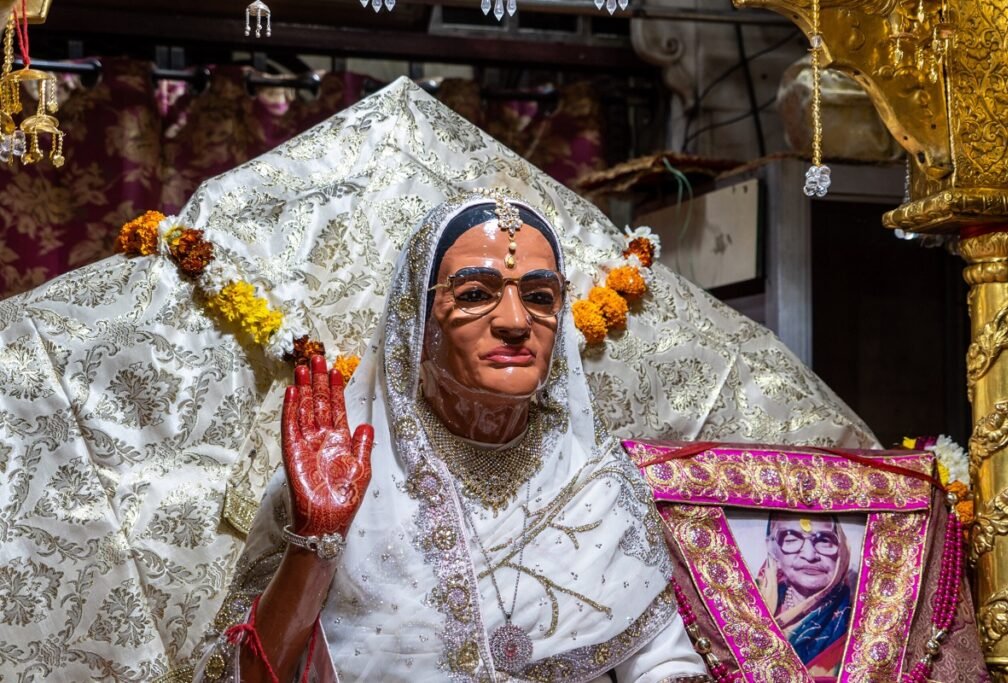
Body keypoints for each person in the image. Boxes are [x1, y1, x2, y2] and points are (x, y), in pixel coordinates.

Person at [195, 190, 708, 682]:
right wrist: (316, 543)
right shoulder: (344, 476)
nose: (514, 321)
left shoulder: (599, 483)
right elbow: (240, 677)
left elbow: (664, 663)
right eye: (475, 295)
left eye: (538, 296)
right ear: (416, 324)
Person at [755, 513, 854, 677]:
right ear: (773, 551)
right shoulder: (750, 608)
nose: (809, 555)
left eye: (824, 540)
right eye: (791, 539)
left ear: (842, 550)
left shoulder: (859, 619)